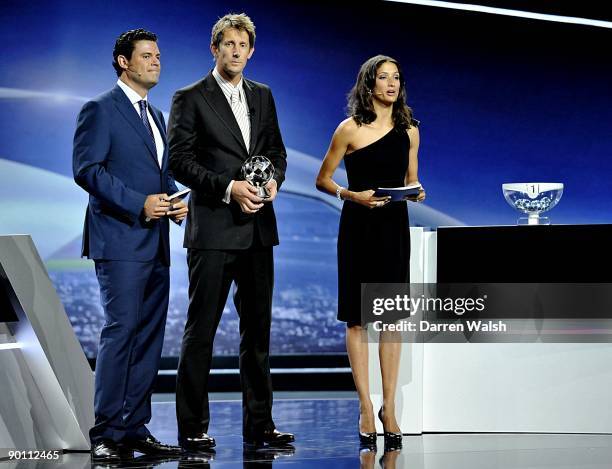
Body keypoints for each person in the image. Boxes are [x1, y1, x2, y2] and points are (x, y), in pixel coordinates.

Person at [168, 13, 293, 450]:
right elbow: (178, 161)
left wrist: (273, 178)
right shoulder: (190, 98)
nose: (236, 51)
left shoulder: (263, 96)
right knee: (200, 333)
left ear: (251, 51)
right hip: (214, 231)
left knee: (257, 335)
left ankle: (260, 426)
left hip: (259, 230)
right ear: (214, 48)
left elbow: (275, 150)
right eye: (228, 44)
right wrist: (228, 188)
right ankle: (193, 428)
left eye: (243, 45)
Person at [73, 28, 187, 462]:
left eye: (158, 54)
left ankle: (134, 428)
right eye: (146, 55)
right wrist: (140, 203)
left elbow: (159, 176)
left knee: (148, 337)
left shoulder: (156, 116)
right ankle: (105, 432)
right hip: (119, 238)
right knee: (121, 332)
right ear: (124, 61)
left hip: (155, 240)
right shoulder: (99, 109)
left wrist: (174, 200)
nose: (156, 61)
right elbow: (88, 170)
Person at [315, 55, 426, 448]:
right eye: (384, 77)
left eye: (397, 77)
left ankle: (389, 407)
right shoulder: (348, 129)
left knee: (392, 321)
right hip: (358, 228)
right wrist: (350, 195)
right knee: (359, 320)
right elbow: (323, 179)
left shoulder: (410, 131)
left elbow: (411, 180)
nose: (392, 84)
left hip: (394, 230)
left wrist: (416, 191)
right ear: (369, 85)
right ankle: (365, 406)